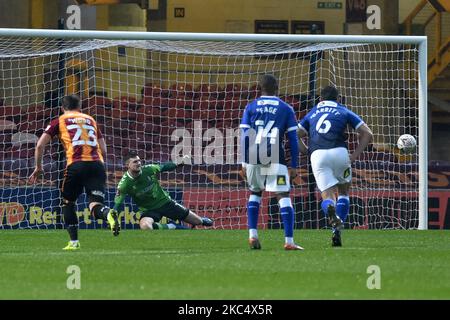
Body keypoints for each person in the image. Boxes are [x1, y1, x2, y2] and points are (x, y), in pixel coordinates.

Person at [29, 94, 119, 251]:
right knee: (95, 205)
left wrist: (38, 167)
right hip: (97, 165)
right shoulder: (90, 120)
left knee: (68, 202)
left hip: (76, 165)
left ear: (62, 108)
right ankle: (108, 214)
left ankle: (74, 242)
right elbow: (103, 149)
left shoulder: (60, 120)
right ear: (80, 106)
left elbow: (39, 145)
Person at [297, 85, 373, 246]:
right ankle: (337, 231)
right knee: (344, 192)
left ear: (320, 99)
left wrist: (306, 151)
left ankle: (330, 209)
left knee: (327, 196)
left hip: (318, 155)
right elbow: (367, 133)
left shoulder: (313, 112)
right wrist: (354, 155)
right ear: (338, 99)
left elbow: (294, 134)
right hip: (340, 153)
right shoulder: (343, 111)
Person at [240, 74, 305, 251]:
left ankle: (252, 235)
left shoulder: (250, 106)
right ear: (277, 88)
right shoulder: (286, 108)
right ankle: (289, 241)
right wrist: (294, 165)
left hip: (253, 155)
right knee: (283, 196)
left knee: (255, 192)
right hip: (276, 156)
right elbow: (292, 139)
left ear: (260, 88)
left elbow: (244, 136)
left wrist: (243, 163)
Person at [111, 152, 214, 230]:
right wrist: (113, 219)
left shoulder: (148, 169)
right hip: (148, 210)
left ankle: (200, 219)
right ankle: (172, 226)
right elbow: (117, 204)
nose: (139, 163)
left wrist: (180, 162)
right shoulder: (124, 184)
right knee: (145, 226)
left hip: (165, 202)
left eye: (139, 161)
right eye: (135, 162)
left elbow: (165, 167)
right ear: (127, 165)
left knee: (198, 221)